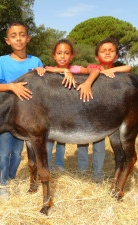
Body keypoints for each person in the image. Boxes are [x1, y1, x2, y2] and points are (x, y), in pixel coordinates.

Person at [0, 21, 43, 197]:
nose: (18, 39)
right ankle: (2, 185)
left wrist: (42, 71)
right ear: (7, 41)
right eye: (13, 36)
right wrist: (12, 86)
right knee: (4, 152)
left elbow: (43, 87)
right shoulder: (2, 61)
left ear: (28, 38)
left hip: (27, 119)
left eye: (21, 35)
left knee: (18, 154)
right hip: (6, 117)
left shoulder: (36, 61)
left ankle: (11, 179)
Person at [36, 39, 103, 171]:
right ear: (54, 56)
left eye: (66, 53)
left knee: (61, 143)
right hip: (50, 114)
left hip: (66, 113)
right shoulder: (48, 69)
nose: (62, 56)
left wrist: (87, 83)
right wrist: (63, 71)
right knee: (48, 143)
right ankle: (48, 166)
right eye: (59, 53)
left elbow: (95, 71)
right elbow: (38, 72)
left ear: (71, 56)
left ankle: (59, 164)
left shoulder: (75, 69)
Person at [77, 37, 131, 183]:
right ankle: (81, 170)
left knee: (99, 147)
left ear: (116, 56)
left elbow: (128, 68)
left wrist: (109, 71)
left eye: (111, 51)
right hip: (88, 112)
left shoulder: (119, 72)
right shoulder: (92, 68)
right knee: (82, 144)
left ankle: (98, 174)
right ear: (97, 56)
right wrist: (100, 72)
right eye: (103, 51)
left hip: (106, 116)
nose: (107, 53)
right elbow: (81, 73)